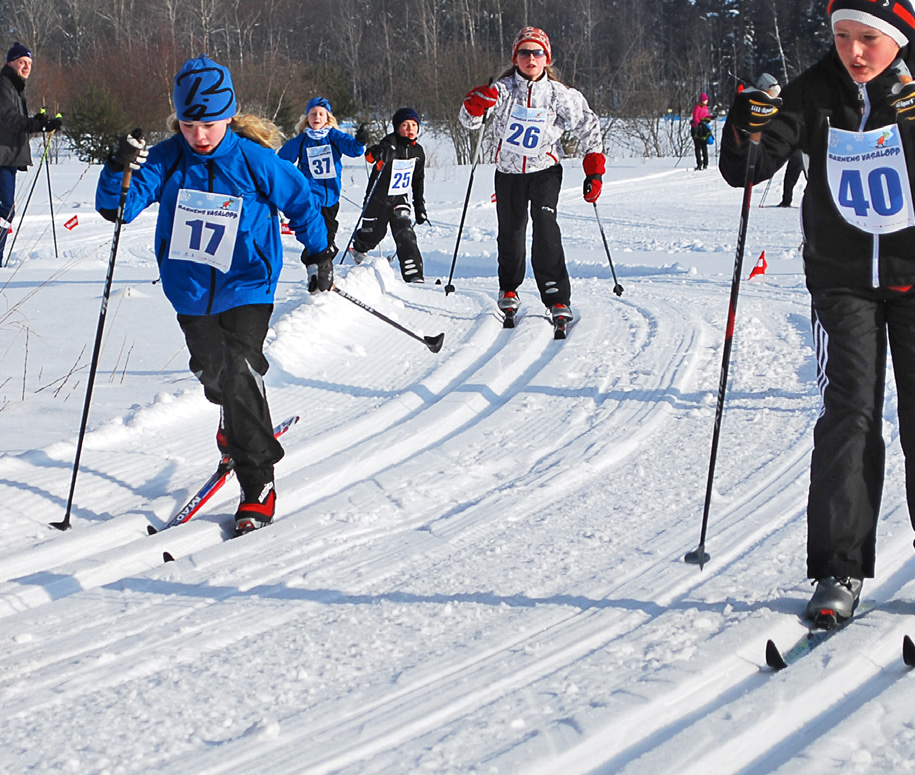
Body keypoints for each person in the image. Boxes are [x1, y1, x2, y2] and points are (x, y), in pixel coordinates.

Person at [718, 0, 915, 628]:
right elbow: (743, 168)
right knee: (849, 413)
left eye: (869, 40)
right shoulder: (813, 91)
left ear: (900, 40)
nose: (854, 52)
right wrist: (743, 122)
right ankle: (839, 566)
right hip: (842, 281)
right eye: (842, 37)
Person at [95, 55, 333, 535]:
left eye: (208, 124)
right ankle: (232, 416)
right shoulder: (167, 159)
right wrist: (117, 166)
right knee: (214, 374)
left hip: (248, 282)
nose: (199, 135)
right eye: (188, 124)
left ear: (228, 115)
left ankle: (257, 481)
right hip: (190, 291)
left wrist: (319, 252)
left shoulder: (253, 159)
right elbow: (117, 209)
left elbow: (301, 198)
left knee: (242, 371)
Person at [459, 26, 605, 325]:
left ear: (546, 58)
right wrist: (474, 105)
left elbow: (588, 126)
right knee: (511, 232)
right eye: (524, 52)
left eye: (537, 52)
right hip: (509, 172)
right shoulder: (501, 90)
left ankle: (555, 294)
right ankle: (509, 288)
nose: (531, 58)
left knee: (546, 228)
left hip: (545, 172)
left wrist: (595, 170)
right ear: (516, 58)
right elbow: (470, 122)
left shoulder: (559, 94)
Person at [278, 97, 367, 291]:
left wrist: (360, 141)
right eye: (312, 114)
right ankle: (317, 273)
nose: (316, 117)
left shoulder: (334, 136)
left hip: (331, 197)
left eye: (321, 114)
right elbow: (282, 161)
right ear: (306, 118)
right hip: (310, 196)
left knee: (328, 236)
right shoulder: (302, 140)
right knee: (315, 234)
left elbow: (353, 150)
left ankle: (322, 268)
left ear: (327, 117)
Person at [349, 107, 428, 283]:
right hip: (377, 199)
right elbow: (370, 156)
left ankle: (414, 274)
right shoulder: (390, 142)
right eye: (405, 125)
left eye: (414, 125)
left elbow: (418, 180)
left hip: (400, 198)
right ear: (397, 127)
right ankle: (359, 246)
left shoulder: (418, 152)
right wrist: (379, 153)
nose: (410, 129)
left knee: (405, 233)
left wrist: (420, 206)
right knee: (374, 235)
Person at [0, 42, 61, 263]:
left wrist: (36, 123)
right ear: (10, 63)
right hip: (3, 157)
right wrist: (38, 126)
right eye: (22, 62)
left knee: (6, 211)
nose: (26, 67)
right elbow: (8, 118)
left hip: (8, 157)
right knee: (4, 211)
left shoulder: (14, 86)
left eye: (29, 63)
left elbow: (15, 123)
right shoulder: (4, 85)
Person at [690, 92, 713, 170]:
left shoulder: (705, 107)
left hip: (703, 129)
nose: (706, 102)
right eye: (705, 100)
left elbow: (706, 115)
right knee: (697, 147)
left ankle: (706, 163)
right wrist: (698, 123)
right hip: (697, 129)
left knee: (704, 146)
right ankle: (699, 164)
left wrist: (711, 117)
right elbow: (695, 117)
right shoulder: (697, 108)